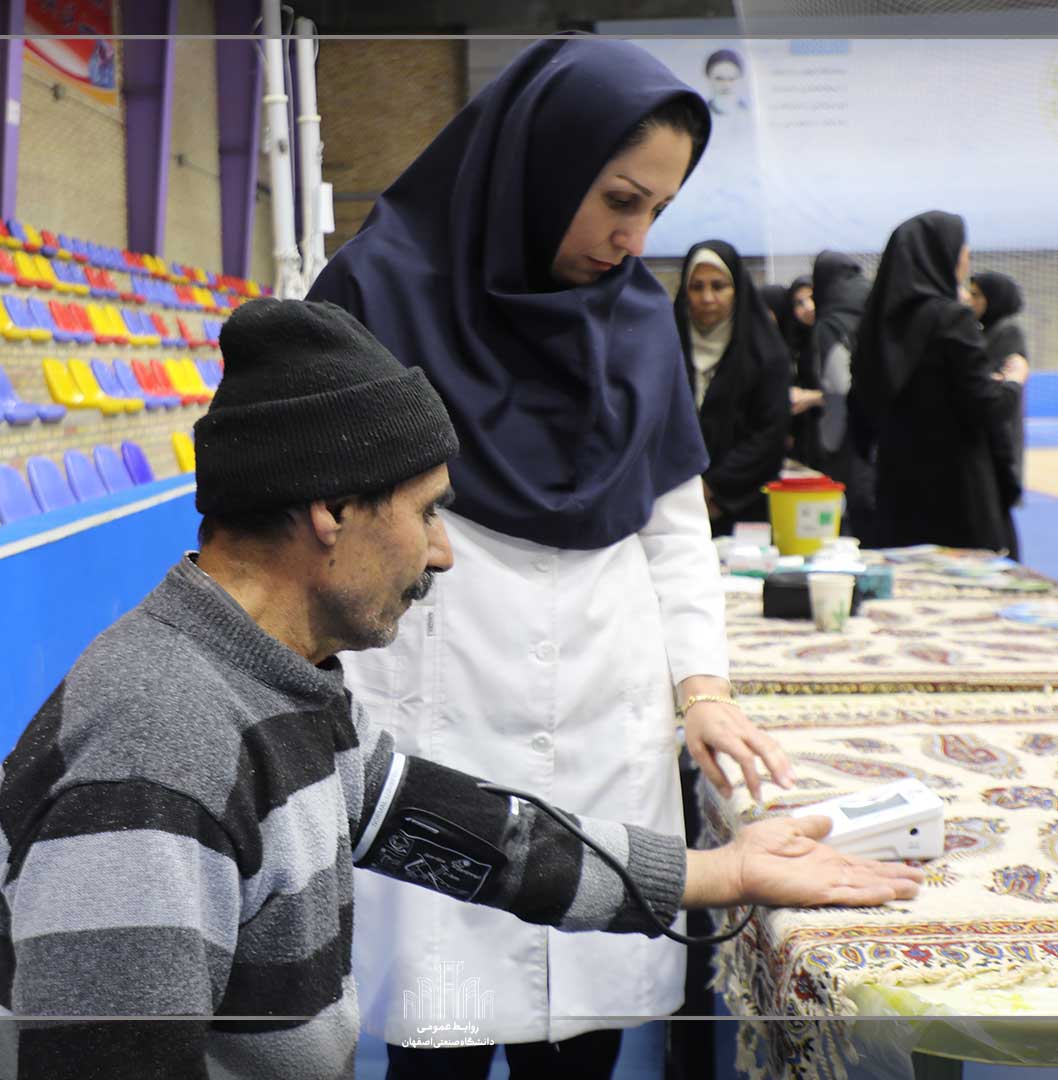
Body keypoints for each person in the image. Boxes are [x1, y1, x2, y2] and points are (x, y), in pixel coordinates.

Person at [0, 299, 926, 1080]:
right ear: (331, 510)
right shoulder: (157, 754)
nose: (443, 553)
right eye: (427, 513)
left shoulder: (270, 685)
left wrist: (724, 873)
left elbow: (481, 838)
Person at [305, 36, 790, 1077]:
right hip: (438, 712)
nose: (633, 238)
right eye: (618, 199)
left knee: (582, 1034)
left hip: (604, 729)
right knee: (439, 1031)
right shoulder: (377, 293)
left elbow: (673, 526)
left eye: (657, 211)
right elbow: (306, 520)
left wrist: (703, 689)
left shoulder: (637, 322)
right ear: (544, 164)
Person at [850, 210, 1028, 555]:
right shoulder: (950, 319)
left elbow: (860, 413)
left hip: (895, 492)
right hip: (957, 496)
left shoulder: (875, 325)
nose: (966, 258)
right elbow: (986, 408)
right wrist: (1013, 382)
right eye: (963, 249)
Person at [674, 239, 794, 535]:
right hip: (672, 505)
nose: (707, 298)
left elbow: (769, 433)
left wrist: (712, 488)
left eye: (718, 286)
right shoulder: (666, 348)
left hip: (744, 505)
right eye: (696, 287)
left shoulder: (765, 353)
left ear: (737, 289)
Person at [801, 251, 875, 535]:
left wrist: (828, 445)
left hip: (848, 442)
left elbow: (837, 387)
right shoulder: (872, 312)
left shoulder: (831, 324)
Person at [966, 270, 1029, 511]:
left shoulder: (1007, 330)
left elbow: (998, 376)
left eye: (976, 295)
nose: (970, 301)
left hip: (1000, 427)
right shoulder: (985, 329)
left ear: (993, 298)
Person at [703, 48, 747, 116]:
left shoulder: (750, 112)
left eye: (732, 79)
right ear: (708, 78)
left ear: (740, 79)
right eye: (719, 79)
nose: (726, 85)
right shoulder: (699, 114)